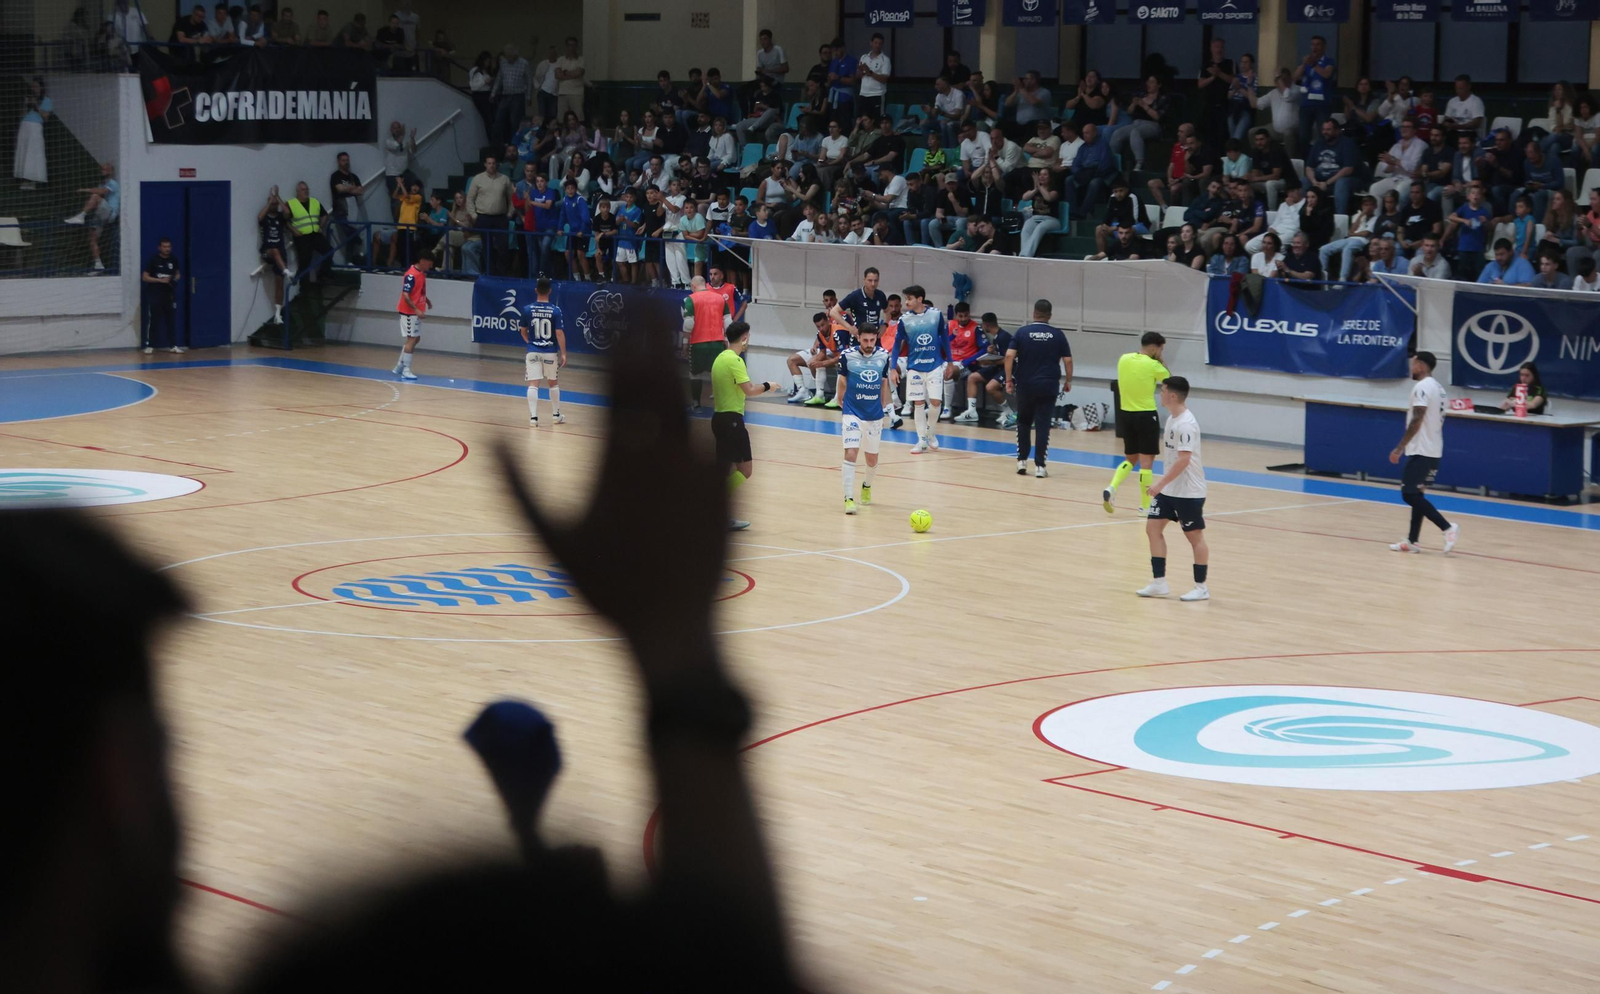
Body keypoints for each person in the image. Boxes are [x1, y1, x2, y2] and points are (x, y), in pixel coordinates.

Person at [1136, 376, 1210, 601]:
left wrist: (1159, 483)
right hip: (1169, 491)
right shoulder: (1171, 419)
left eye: (1163, 391)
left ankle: (1201, 587)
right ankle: (1159, 583)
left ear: (1173, 396)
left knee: (1194, 537)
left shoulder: (1185, 424)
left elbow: (1183, 460)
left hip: (1189, 492)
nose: (1161, 394)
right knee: (1152, 529)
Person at [1388, 351, 1458, 554]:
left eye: (1413, 363)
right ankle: (1412, 541)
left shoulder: (1422, 387)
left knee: (1408, 494)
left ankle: (1447, 527)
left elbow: (1417, 419)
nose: (1411, 367)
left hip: (1421, 449)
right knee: (1417, 494)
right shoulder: (1439, 388)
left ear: (1420, 364)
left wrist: (1400, 447)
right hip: (1434, 449)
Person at [710, 320, 775, 530]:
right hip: (732, 422)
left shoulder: (719, 358)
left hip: (718, 419)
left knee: (725, 468)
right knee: (745, 469)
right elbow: (750, 389)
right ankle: (712, 506)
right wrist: (768, 386)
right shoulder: (735, 361)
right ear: (745, 338)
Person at [1103, 331, 1170, 514]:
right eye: (1161, 349)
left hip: (1125, 415)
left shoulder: (1123, 359)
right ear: (1154, 347)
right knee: (1146, 462)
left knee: (1130, 458)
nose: (1161, 352)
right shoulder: (1154, 365)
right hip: (1146, 415)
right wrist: (1161, 361)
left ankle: (1112, 487)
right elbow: (1170, 382)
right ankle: (1145, 506)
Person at [1003, 299, 1071, 478]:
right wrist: (1068, 380)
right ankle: (1040, 467)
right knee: (1043, 425)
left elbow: (1009, 355)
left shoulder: (1023, 332)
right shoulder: (1058, 335)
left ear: (1034, 313)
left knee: (1024, 422)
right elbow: (1068, 360)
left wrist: (1009, 379)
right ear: (1050, 315)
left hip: (1026, 384)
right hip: (1049, 384)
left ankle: (1021, 462)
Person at [838, 322, 894, 515]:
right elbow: (843, 379)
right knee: (851, 453)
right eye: (865, 340)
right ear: (858, 338)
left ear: (876, 338)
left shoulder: (883, 355)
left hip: (874, 414)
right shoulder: (847, 356)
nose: (869, 343)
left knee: (871, 459)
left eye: (872, 340)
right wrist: (840, 399)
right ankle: (848, 498)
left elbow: (884, 381)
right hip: (852, 411)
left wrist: (885, 404)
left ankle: (867, 486)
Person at [897, 284, 947, 454]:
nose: (906, 302)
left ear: (920, 299)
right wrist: (891, 367)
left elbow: (945, 338)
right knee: (918, 403)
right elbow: (897, 344)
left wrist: (952, 361)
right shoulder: (904, 319)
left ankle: (930, 433)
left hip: (934, 365)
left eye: (909, 299)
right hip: (915, 367)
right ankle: (921, 440)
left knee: (935, 402)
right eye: (906, 298)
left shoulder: (936, 315)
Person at [519, 277, 567, 426]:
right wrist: (564, 353)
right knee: (553, 383)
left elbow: (522, 331)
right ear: (550, 291)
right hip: (550, 351)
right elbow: (559, 333)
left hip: (533, 351)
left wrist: (530, 343)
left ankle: (533, 417)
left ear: (536, 290)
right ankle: (555, 415)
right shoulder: (555, 310)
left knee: (533, 384)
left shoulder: (527, 309)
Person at [682, 274, 734, 410]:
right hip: (717, 342)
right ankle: (723, 404)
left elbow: (688, 323)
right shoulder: (720, 298)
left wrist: (685, 342)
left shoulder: (691, 299)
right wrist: (727, 341)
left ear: (693, 286)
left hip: (698, 343)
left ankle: (696, 403)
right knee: (717, 374)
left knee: (695, 374)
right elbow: (728, 322)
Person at [62, 160, 118, 271]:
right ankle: (98, 264)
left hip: (110, 212)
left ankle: (81, 216)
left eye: (105, 169)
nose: (103, 171)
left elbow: (101, 192)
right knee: (92, 237)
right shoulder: (101, 183)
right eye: (102, 169)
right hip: (100, 214)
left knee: (95, 196)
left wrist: (85, 189)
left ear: (111, 171)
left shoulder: (113, 183)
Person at [393, 253, 432, 380]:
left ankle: (399, 366)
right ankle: (406, 369)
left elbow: (418, 291)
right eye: (429, 262)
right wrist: (416, 309)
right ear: (422, 260)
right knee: (412, 339)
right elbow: (406, 294)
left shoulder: (421, 274)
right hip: (409, 312)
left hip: (415, 311)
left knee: (416, 338)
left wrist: (426, 300)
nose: (430, 266)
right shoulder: (411, 275)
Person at [140, 236, 181, 354]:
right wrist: (160, 280)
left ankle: (173, 345)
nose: (167, 249)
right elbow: (145, 277)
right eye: (164, 247)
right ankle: (150, 345)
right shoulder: (154, 260)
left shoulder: (174, 259)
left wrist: (173, 279)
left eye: (168, 247)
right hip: (155, 294)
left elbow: (178, 274)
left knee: (171, 320)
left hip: (169, 294)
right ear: (159, 247)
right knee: (154, 320)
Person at [257, 188, 291, 323]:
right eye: (273, 204)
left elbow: (287, 212)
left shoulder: (280, 217)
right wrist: (270, 201)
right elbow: (259, 217)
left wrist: (278, 197)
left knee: (279, 282)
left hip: (281, 252)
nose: (275, 206)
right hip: (267, 251)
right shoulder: (265, 218)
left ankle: (277, 314)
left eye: (276, 204)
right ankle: (287, 271)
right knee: (275, 250)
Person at [13, 76, 50, 190]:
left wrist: (35, 105)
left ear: (41, 88)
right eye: (32, 86)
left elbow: (45, 117)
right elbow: (21, 115)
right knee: (24, 151)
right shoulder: (27, 98)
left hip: (35, 127)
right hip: (24, 126)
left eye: (36, 86)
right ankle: (24, 179)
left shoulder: (46, 100)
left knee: (33, 153)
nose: (33, 88)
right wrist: (26, 104)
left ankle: (32, 180)